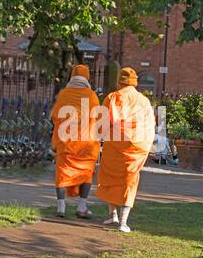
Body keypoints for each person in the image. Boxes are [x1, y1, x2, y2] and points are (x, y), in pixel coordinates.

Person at [96, 67, 155, 232]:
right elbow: (150, 124)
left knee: (110, 176)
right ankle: (123, 221)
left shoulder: (113, 97)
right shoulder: (143, 100)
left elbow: (103, 122)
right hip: (137, 146)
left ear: (119, 81)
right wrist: (146, 144)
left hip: (115, 145)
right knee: (130, 180)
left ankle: (112, 214)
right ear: (134, 82)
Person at [51, 64, 100, 218]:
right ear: (87, 77)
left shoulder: (64, 94)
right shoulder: (92, 96)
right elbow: (98, 117)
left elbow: (55, 116)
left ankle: (61, 207)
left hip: (66, 143)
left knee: (62, 173)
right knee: (86, 174)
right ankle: (82, 206)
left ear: (72, 77)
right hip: (87, 144)